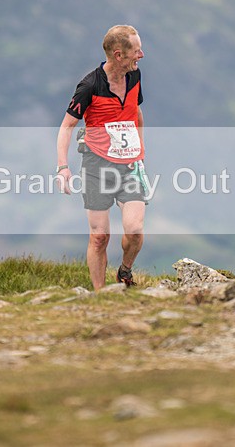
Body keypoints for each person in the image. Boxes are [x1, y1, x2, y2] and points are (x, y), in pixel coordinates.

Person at [56, 25, 147, 290]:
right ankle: (100, 296)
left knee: (134, 229)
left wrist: (141, 149)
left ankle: (124, 272)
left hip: (130, 164)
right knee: (99, 237)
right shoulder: (89, 86)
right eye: (136, 50)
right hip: (96, 165)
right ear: (118, 55)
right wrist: (63, 167)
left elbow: (136, 112)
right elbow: (66, 127)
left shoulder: (135, 76)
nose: (141, 54)